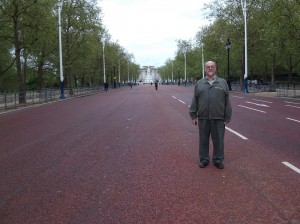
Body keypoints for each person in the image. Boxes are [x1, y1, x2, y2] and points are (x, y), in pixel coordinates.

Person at [189, 61, 232, 169]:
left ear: (215, 68)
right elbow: (195, 100)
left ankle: (218, 159)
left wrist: (227, 116)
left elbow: (227, 101)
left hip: (218, 117)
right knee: (203, 140)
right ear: (205, 69)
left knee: (218, 140)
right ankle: (204, 159)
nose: (210, 68)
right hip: (203, 117)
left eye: (212, 67)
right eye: (208, 67)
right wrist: (193, 115)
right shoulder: (199, 83)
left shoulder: (223, 83)